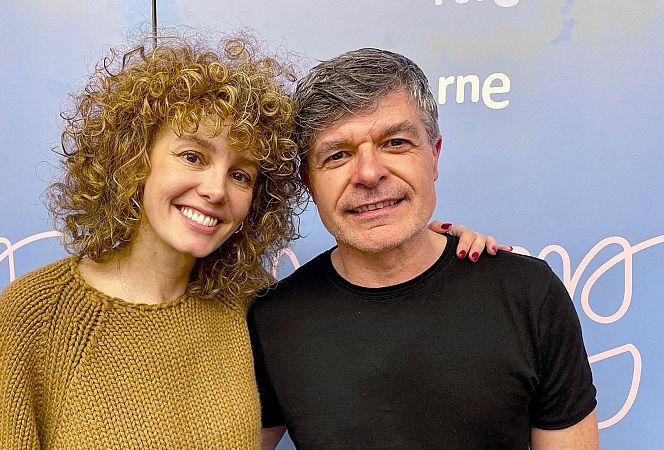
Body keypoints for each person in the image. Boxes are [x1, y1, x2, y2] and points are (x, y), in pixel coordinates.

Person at [0, 35, 501, 449]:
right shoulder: (37, 313)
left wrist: (435, 247)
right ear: (135, 161)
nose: (214, 189)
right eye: (192, 156)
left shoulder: (248, 307)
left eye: (241, 174)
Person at [249, 48, 599, 450]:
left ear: (433, 156)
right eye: (338, 155)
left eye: (395, 143)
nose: (368, 173)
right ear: (309, 181)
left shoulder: (529, 295)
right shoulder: (273, 320)